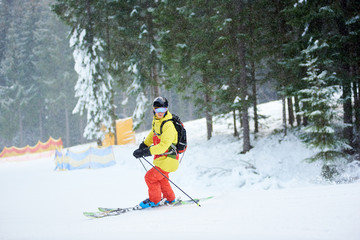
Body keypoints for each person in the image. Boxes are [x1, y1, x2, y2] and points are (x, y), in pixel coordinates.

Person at [133, 96, 179, 208]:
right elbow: (153, 134)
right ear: (154, 109)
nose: (160, 112)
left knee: (150, 177)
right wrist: (144, 145)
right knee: (162, 179)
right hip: (163, 159)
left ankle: (154, 200)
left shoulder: (168, 125)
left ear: (166, 109)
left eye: (163, 110)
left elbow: (163, 146)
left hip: (169, 159)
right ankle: (170, 198)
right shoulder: (158, 121)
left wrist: (146, 152)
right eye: (158, 110)